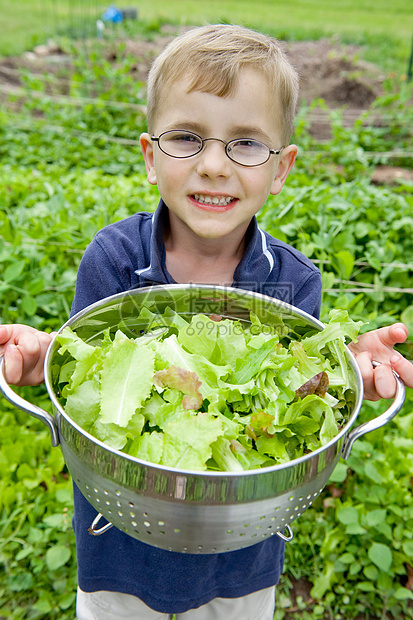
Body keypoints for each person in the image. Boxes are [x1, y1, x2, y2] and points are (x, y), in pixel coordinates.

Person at [0, 24, 412, 620]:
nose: (214, 165)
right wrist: (45, 360)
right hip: (118, 545)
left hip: (241, 557)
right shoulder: (114, 261)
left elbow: (297, 399)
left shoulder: (294, 283)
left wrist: (342, 369)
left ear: (282, 168)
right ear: (149, 156)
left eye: (246, 144)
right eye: (187, 138)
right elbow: (84, 378)